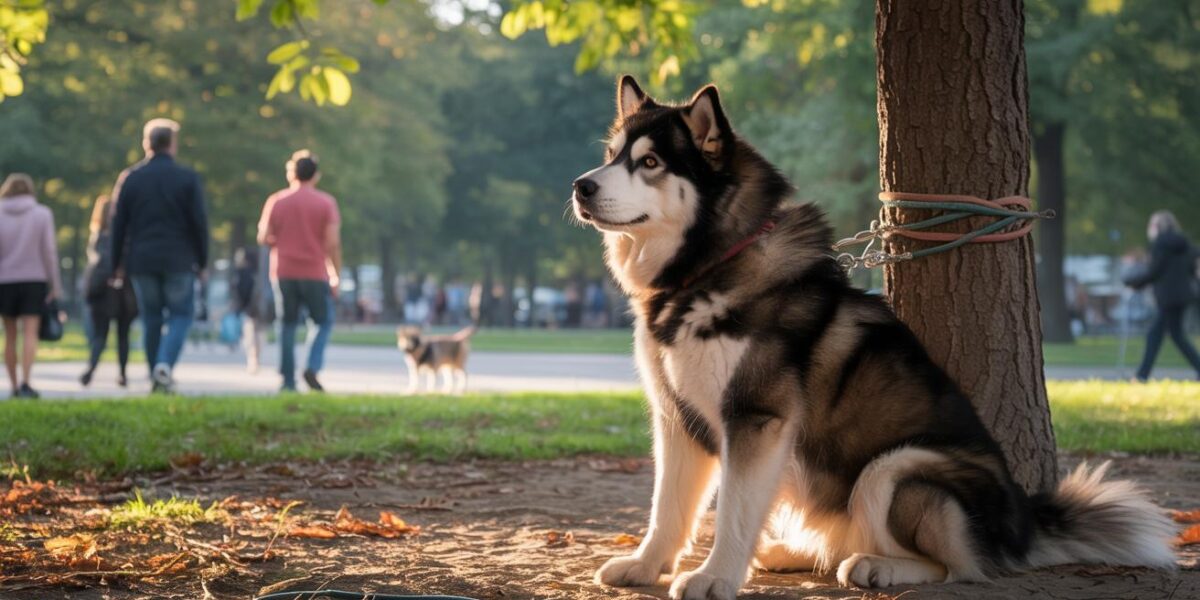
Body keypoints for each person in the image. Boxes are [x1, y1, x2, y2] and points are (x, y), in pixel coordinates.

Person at [110, 118, 209, 393]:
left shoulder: (130, 178)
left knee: (151, 317)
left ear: (146, 143)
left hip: (141, 260)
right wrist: (202, 261)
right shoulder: (187, 178)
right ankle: (163, 365)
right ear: (172, 144)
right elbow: (199, 223)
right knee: (181, 314)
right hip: (179, 259)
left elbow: (119, 225)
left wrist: (115, 264)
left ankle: (157, 373)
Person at [257, 150, 342, 392]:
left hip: (284, 271)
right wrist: (335, 274)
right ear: (315, 175)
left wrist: (279, 241)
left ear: (291, 173)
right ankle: (312, 366)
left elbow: (263, 236)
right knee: (323, 321)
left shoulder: (277, 201)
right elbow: (332, 243)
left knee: (287, 325)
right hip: (315, 272)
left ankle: (287, 380)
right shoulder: (326, 203)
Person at [0, 174, 63, 399]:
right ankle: (27, 383)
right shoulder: (42, 214)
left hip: (4, 281)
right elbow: (49, 252)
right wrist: (55, 285)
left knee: (9, 336)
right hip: (34, 280)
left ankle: (14, 385)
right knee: (30, 333)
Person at [1123, 210, 1200, 381]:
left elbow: (1154, 271)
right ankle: (1143, 374)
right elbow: (1192, 267)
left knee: (1155, 335)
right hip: (1183, 296)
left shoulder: (1160, 244)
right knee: (1176, 335)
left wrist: (1131, 282)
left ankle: (1142, 375)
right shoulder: (1184, 243)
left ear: (1156, 226)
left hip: (1168, 297)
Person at [80, 195, 139, 388]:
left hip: (103, 291)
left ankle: (91, 369)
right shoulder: (124, 235)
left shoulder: (96, 237)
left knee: (101, 335)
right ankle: (122, 374)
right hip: (121, 290)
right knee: (122, 334)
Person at [230, 245, 271, 373]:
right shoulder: (262, 271)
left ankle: (253, 359)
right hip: (261, 306)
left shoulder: (243, 272)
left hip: (249, 307)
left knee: (250, 333)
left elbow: (240, 291)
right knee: (260, 332)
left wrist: (239, 307)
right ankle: (256, 358)